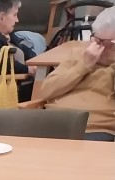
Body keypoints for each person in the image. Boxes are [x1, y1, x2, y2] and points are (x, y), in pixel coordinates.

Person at [41, 8, 115, 141]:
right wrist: (83, 66)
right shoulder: (78, 54)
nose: (100, 48)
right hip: (53, 122)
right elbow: (46, 91)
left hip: (94, 128)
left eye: (109, 44)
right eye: (97, 41)